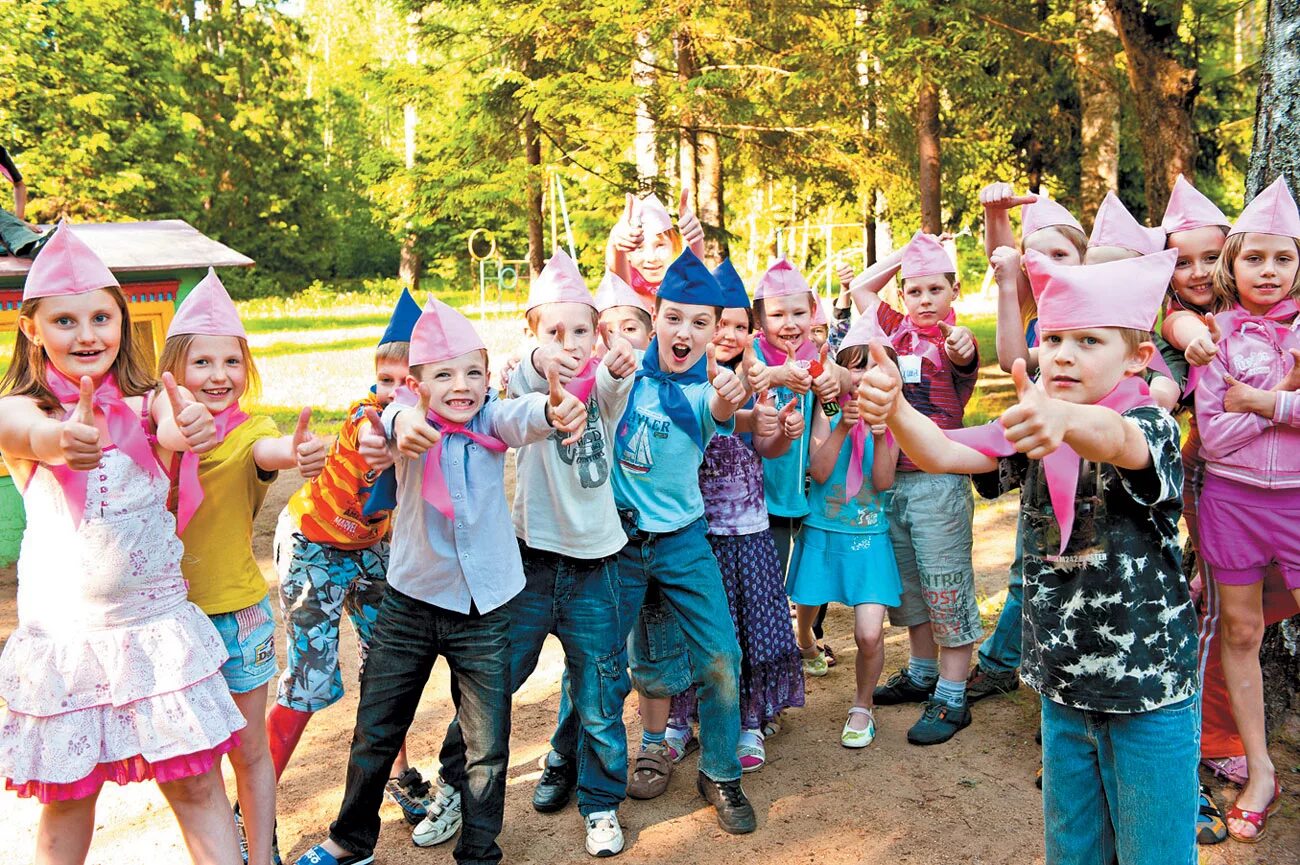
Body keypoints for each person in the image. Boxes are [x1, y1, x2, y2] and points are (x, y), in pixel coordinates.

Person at [861, 246, 1199, 865]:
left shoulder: (1149, 426)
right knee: (1072, 850)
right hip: (1062, 688)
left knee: (1155, 853)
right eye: (1058, 337)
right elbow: (942, 451)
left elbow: (1118, 439)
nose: (1065, 354)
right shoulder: (1034, 425)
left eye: (1090, 341)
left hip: (1148, 693)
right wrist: (898, 412)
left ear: (1138, 358)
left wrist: (1062, 419)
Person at [293, 298, 586, 865]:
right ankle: (350, 841)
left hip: (487, 608)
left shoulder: (491, 420)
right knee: (377, 727)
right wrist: (402, 420)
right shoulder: (405, 422)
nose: (462, 385)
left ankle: (479, 852)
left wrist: (552, 413)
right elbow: (390, 417)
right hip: (411, 602)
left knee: (486, 745)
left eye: (472, 372)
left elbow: (519, 415)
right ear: (418, 382)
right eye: (444, 374)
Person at [0, 222, 244, 865]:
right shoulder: (23, 410)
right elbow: (25, 432)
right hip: (68, 642)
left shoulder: (149, 402)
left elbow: (172, 419)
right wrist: (62, 441)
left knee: (195, 784)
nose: (87, 335)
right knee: (69, 800)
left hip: (156, 634)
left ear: (122, 321)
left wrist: (188, 421)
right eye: (65, 321)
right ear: (33, 330)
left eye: (101, 317)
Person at [418, 249, 638, 857]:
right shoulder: (522, 379)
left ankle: (599, 805)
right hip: (530, 566)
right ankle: (454, 792)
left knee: (599, 695)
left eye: (582, 331)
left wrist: (613, 359)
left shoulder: (610, 382)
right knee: (488, 689)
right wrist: (544, 358)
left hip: (599, 566)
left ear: (599, 332)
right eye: (554, 331)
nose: (571, 343)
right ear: (532, 333)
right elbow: (527, 380)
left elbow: (616, 378)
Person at [159, 269, 327, 865]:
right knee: (191, 761)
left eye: (231, 362)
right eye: (202, 362)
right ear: (174, 368)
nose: (218, 376)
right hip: (166, 623)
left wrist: (300, 453)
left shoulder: (252, 429)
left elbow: (270, 453)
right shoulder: (151, 432)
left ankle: (261, 855)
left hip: (238, 616)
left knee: (248, 749)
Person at [267, 289, 437, 827]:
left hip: (368, 549)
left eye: (406, 381)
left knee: (390, 666)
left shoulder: (434, 422)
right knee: (308, 680)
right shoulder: (367, 419)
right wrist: (387, 438)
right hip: (313, 545)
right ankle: (252, 804)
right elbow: (374, 440)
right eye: (385, 380)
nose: (393, 392)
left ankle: (397, 775)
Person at [607, 249, 754, 832]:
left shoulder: (703, 389)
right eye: (673, 317)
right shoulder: (621, 378)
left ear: (716, 333)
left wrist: (730, 390)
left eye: (700, 322)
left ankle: (720, 770)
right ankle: (574, 761)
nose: (684, 331)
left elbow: (721, 404)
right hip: (615, 541)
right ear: (655, 316)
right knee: (596, 656)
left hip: (684, 540)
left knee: (720, 655)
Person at [664, 257, 807, 773]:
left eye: (739, 326)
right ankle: (680, 721)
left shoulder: (756, 379)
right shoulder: (678, 379)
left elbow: (764, 448)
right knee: (691, 631)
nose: (728, 333)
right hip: (695, 531)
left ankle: (748, 721)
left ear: (750, 332)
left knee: (745, 629)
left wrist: (781, 430)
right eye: (718, 323)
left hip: (746, 530)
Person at [1194, 176, 1300, 844]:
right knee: (1239, 632)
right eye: (1254, 257)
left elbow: (1238, 414)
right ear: (1232, 265)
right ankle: (1259, 768)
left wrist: (1261, 403)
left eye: (1282, 257)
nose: (1268, 270)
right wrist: (1287, 401)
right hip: (1229, 501)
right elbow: (1213, 432)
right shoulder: (1215, 336)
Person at [858, 230, 981, 746]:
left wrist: (962, 345)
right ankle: (923, 671)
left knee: (945, 583)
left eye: (935, 290)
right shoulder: (892, 332)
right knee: (910, 587)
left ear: (954, 292)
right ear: (903, 295)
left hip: (938, 481)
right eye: (914, 290)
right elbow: (863, 291)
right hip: (893, 480)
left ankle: (953, 695)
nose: (925, 300)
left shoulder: (955, 339)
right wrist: (903, 255)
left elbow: (964, 356)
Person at [786, 315, 900, 748]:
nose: (864, 375)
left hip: (870, 538)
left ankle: (862, 705)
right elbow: (817, 469)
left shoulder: (894, 417)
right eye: (855, 365)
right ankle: (807, 646)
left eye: (875, 366)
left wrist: (882, 433)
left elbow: (885, 482)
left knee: (869, 632)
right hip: (823, 530)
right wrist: (843, 427)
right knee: (807, 606)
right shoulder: (828, 407)